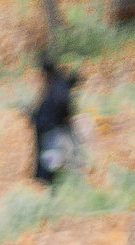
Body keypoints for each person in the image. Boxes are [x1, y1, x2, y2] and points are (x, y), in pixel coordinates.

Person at [30, 56, 81, 185]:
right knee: (54, 151)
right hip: (50, 125)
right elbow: (64, 109)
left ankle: (45, 178)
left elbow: (59, 106)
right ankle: (48, 179)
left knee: (47, 151)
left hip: (46, 124)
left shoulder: (57, 82)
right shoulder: (60, 85)